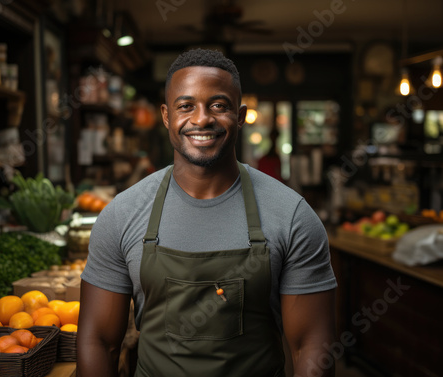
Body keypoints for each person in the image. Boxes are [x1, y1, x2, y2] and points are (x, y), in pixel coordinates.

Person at [77, 48, 337, 377]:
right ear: (166, 116)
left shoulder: (293, 216)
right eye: (186, 106)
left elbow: (312, 345)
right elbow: (99, 341)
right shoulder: (121, 215)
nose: (202, 119)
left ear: (240, 116)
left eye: (218, 105)